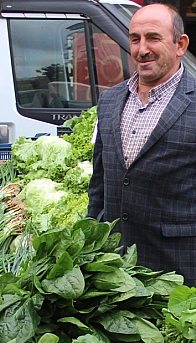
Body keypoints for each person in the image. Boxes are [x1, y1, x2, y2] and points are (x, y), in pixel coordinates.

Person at [88, 4, 196, 285]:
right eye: (135, 39)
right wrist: (93, 236)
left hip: (178, 271)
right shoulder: (110, 100)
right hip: (116, 269)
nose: (142, 48)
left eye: (153, 38)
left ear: (180, 44)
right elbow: (99, 180)